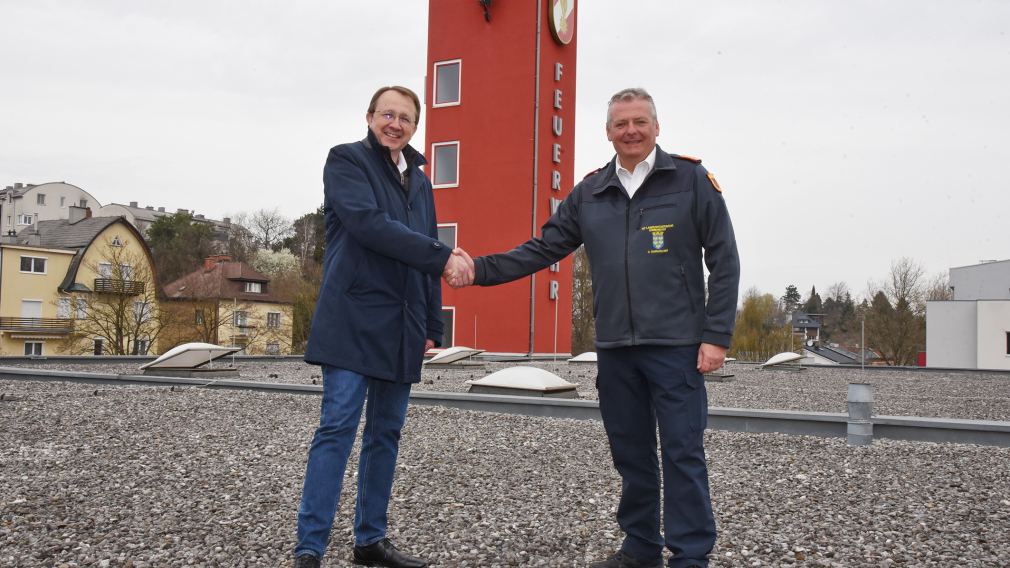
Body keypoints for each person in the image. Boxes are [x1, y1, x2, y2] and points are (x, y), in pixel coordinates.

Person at [449, 88, 739, 568]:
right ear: (608, 132)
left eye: (640, 122)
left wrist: (716, 337)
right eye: (621, 123)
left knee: (683, 454)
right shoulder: (590, 192)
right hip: (616, 348)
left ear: (656, 126)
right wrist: (478, 270)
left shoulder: (691, 181)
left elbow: (724, 261)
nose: (631, 131)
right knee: (631, 455)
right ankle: (641, 547)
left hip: (677, 347)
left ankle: (690, 556)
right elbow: (541, 250)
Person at [294, 85, 473, 568]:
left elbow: (425, 249)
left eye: (406, 118)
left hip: (404, 325)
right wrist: (443, 257)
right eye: (387, 115)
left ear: (416, 126)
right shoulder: (346, 161)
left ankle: (369, 540)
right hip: (352, 319)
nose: (395, 124)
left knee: (385, 434)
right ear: (370, 117)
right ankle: (309, 547)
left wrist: (433, 324)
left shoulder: (420, 181)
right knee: (336, 428)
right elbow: (368, 224)